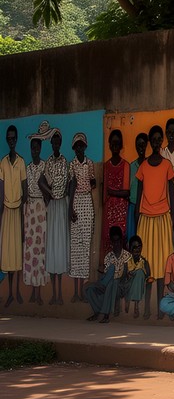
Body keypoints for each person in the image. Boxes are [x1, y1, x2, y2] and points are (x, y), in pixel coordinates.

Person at [135, 125, 174, 309]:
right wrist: (137, 218)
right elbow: (138, 196)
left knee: (161, 264)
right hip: (146, 220)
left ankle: (160, 306)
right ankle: (146, 307)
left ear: (162, 141)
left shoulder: (167, 164)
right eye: (154, 139)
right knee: (147, 264)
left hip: (162, 219)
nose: (157, 142)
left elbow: (172, 195)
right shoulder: (143, 166)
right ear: (150, 141)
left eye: (160, 139)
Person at [39, 127, 71, 305]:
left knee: (60, 243)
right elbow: (41, 181)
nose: (56, 144)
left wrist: (63, 194)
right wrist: (49, 193)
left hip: (61, 204)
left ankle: (60, 294)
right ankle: (54, 294)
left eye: (58, 142)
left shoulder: (64, 161)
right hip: (52, 205)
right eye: (54, 142)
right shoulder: (49, 162)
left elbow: (68, 183)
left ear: (60, 143)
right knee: (52, 244)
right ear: (51, 144)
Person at [68, 132, 97, 302]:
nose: (79, 148)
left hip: (87, 201)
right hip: (76, 201)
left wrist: (93, 183)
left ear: (85, 147)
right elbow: (71, 187)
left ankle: (84, 291)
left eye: (81, 145)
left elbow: (92, 181)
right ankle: (76, 291)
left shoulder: (90, 164)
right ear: (74, 148)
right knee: (76, 247)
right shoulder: (72, 165)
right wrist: (70, 208)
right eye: (77, 146)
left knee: (86, 246)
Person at [0, 124, 26, 305]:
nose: (11, 141)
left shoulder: (21, 162)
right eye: (8, 139)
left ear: (16, 139)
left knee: (17, 254)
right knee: (8, 254)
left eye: (13, 138)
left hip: (17, 210)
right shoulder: (2, 163)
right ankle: (10, 292)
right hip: (6, 211)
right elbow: (1, 191)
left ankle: (16, 292)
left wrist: (23, 215)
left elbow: (24, 191)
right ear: (6, 140)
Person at [85, 226, 130, 323]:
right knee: (89, 290)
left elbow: (125, 276)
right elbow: (106, 273)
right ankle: (97, 312)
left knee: (112, 280)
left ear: (121, 241)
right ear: (111, 243)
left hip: (120, 285)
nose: (117, 244)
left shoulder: (127, 256)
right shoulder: (108, 256)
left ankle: (106, 315)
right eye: (114, 241)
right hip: (107, 283)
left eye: (118, 241)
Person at [23, 135, 48, 304]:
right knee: (30, 250)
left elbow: (48, 190)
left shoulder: (45, 167)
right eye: (32, 148)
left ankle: (39, 292)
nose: (35, 150)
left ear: (40, 149)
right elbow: (25, 191)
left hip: (41, 209)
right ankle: (32, 291)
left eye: (37, 148)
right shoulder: (28, 168)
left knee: (40, 251)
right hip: (30, 208)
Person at [100, 129, 130, 258]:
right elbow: (104, 194)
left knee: (121, 237)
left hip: (121, 209)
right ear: (109, 145)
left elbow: (126, 192)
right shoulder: (106, 166)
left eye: (118, 143)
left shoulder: (125, 165)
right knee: (108, 238)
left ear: (121, 145)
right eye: (112, 143)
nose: (115, 146)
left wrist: (112, 192)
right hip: (109, 209)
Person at [123, 235, 151, 318]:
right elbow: (123, 276)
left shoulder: (144, 261)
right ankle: (127, 300)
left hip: (138, 285)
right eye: (134, 247)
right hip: (129, 285)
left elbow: (148, 275)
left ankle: (136, 305)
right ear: (130, 249)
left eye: (139, 247)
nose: (137, 250)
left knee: (140, 273)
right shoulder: (127, 261)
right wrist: (128, 275)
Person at [126, 132, 147, 242]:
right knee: (132, 236)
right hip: (133, 206)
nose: (141, 147)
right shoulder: (131, 166)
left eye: (143, 144)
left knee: (143, 237)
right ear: (135, 146)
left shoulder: (149, 165)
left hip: (145, 208)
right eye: (139, 145)